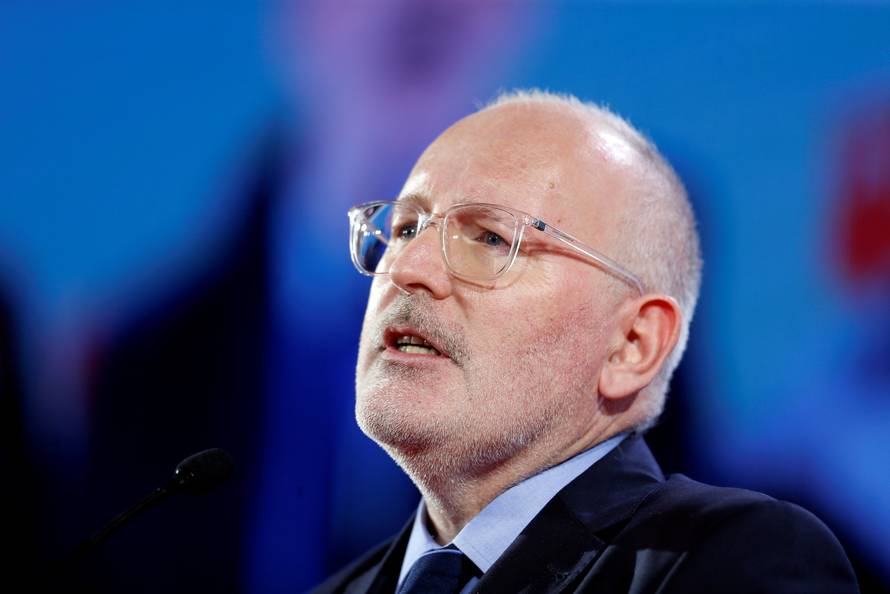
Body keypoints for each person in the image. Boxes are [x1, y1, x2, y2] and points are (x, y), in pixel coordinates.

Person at [312, 90, 859, 593]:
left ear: (632, 344)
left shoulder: (736, 561)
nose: (409, 266)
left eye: (491, 238)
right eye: (406, 228)